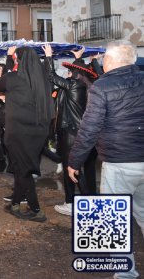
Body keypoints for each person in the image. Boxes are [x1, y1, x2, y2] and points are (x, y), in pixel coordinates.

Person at [68, 40, 144, 279]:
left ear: (110, 61)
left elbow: (89, 128)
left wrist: (74, 161)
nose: (102, 62)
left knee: (114, 220)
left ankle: (125, 274)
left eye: (103, 58)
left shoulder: (102, 87)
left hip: (119, 163)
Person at [0, 47, 54, 222]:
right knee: (21, 168)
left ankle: (36, 211)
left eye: (16, 59)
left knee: (22, 170)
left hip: (18, 132)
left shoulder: (13, 78)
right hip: (37, 133)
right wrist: (49, 58)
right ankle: (15, 203)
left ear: (20, 61)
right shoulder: (42, 80)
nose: (15, 62)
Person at [43, 44, 98, 216]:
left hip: (71, 133)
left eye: (69, 71)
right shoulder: (87, 86)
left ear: (74, 75)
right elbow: (79, 71)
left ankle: (74, 203)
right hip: (81, 132)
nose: (67, 73)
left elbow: (51, 75)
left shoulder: (74, 86)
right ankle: (85, 201)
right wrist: (78, 58)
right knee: (80, 168)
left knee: (71, 168)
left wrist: (49, 56)